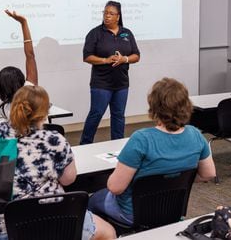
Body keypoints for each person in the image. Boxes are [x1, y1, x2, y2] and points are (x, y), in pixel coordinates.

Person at [0, 86, 115, 240]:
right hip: (39, 224)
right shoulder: (52, 139)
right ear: (44, 113)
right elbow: (69, 179)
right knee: (108, 232)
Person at [88, 78, 216, 225]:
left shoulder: (142, 139)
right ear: (186, 105)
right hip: (173, 211)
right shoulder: (196, 135)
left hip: (133, 213)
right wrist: (173, 182)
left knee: (91, 201)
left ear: (154, 107)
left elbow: (115, 188)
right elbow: (209, 174)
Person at [80, 1, 140, 145]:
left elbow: (136, 55)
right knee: (96, 115)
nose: (107, 16)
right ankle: (84, 145)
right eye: (105, 13)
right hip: (101, 83)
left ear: (118, 16)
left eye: (111, 14)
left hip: (121, 84)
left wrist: (124, 59)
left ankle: (117, 146)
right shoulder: (95, 33)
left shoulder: (127, 33)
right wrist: (105, 60)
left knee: (118, 116)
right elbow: (87, 57)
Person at [0, 10, 38, 119]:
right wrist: (23, 23)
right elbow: (30, 56)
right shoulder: (30, 92)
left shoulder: (3, 109)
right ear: (21, 79)